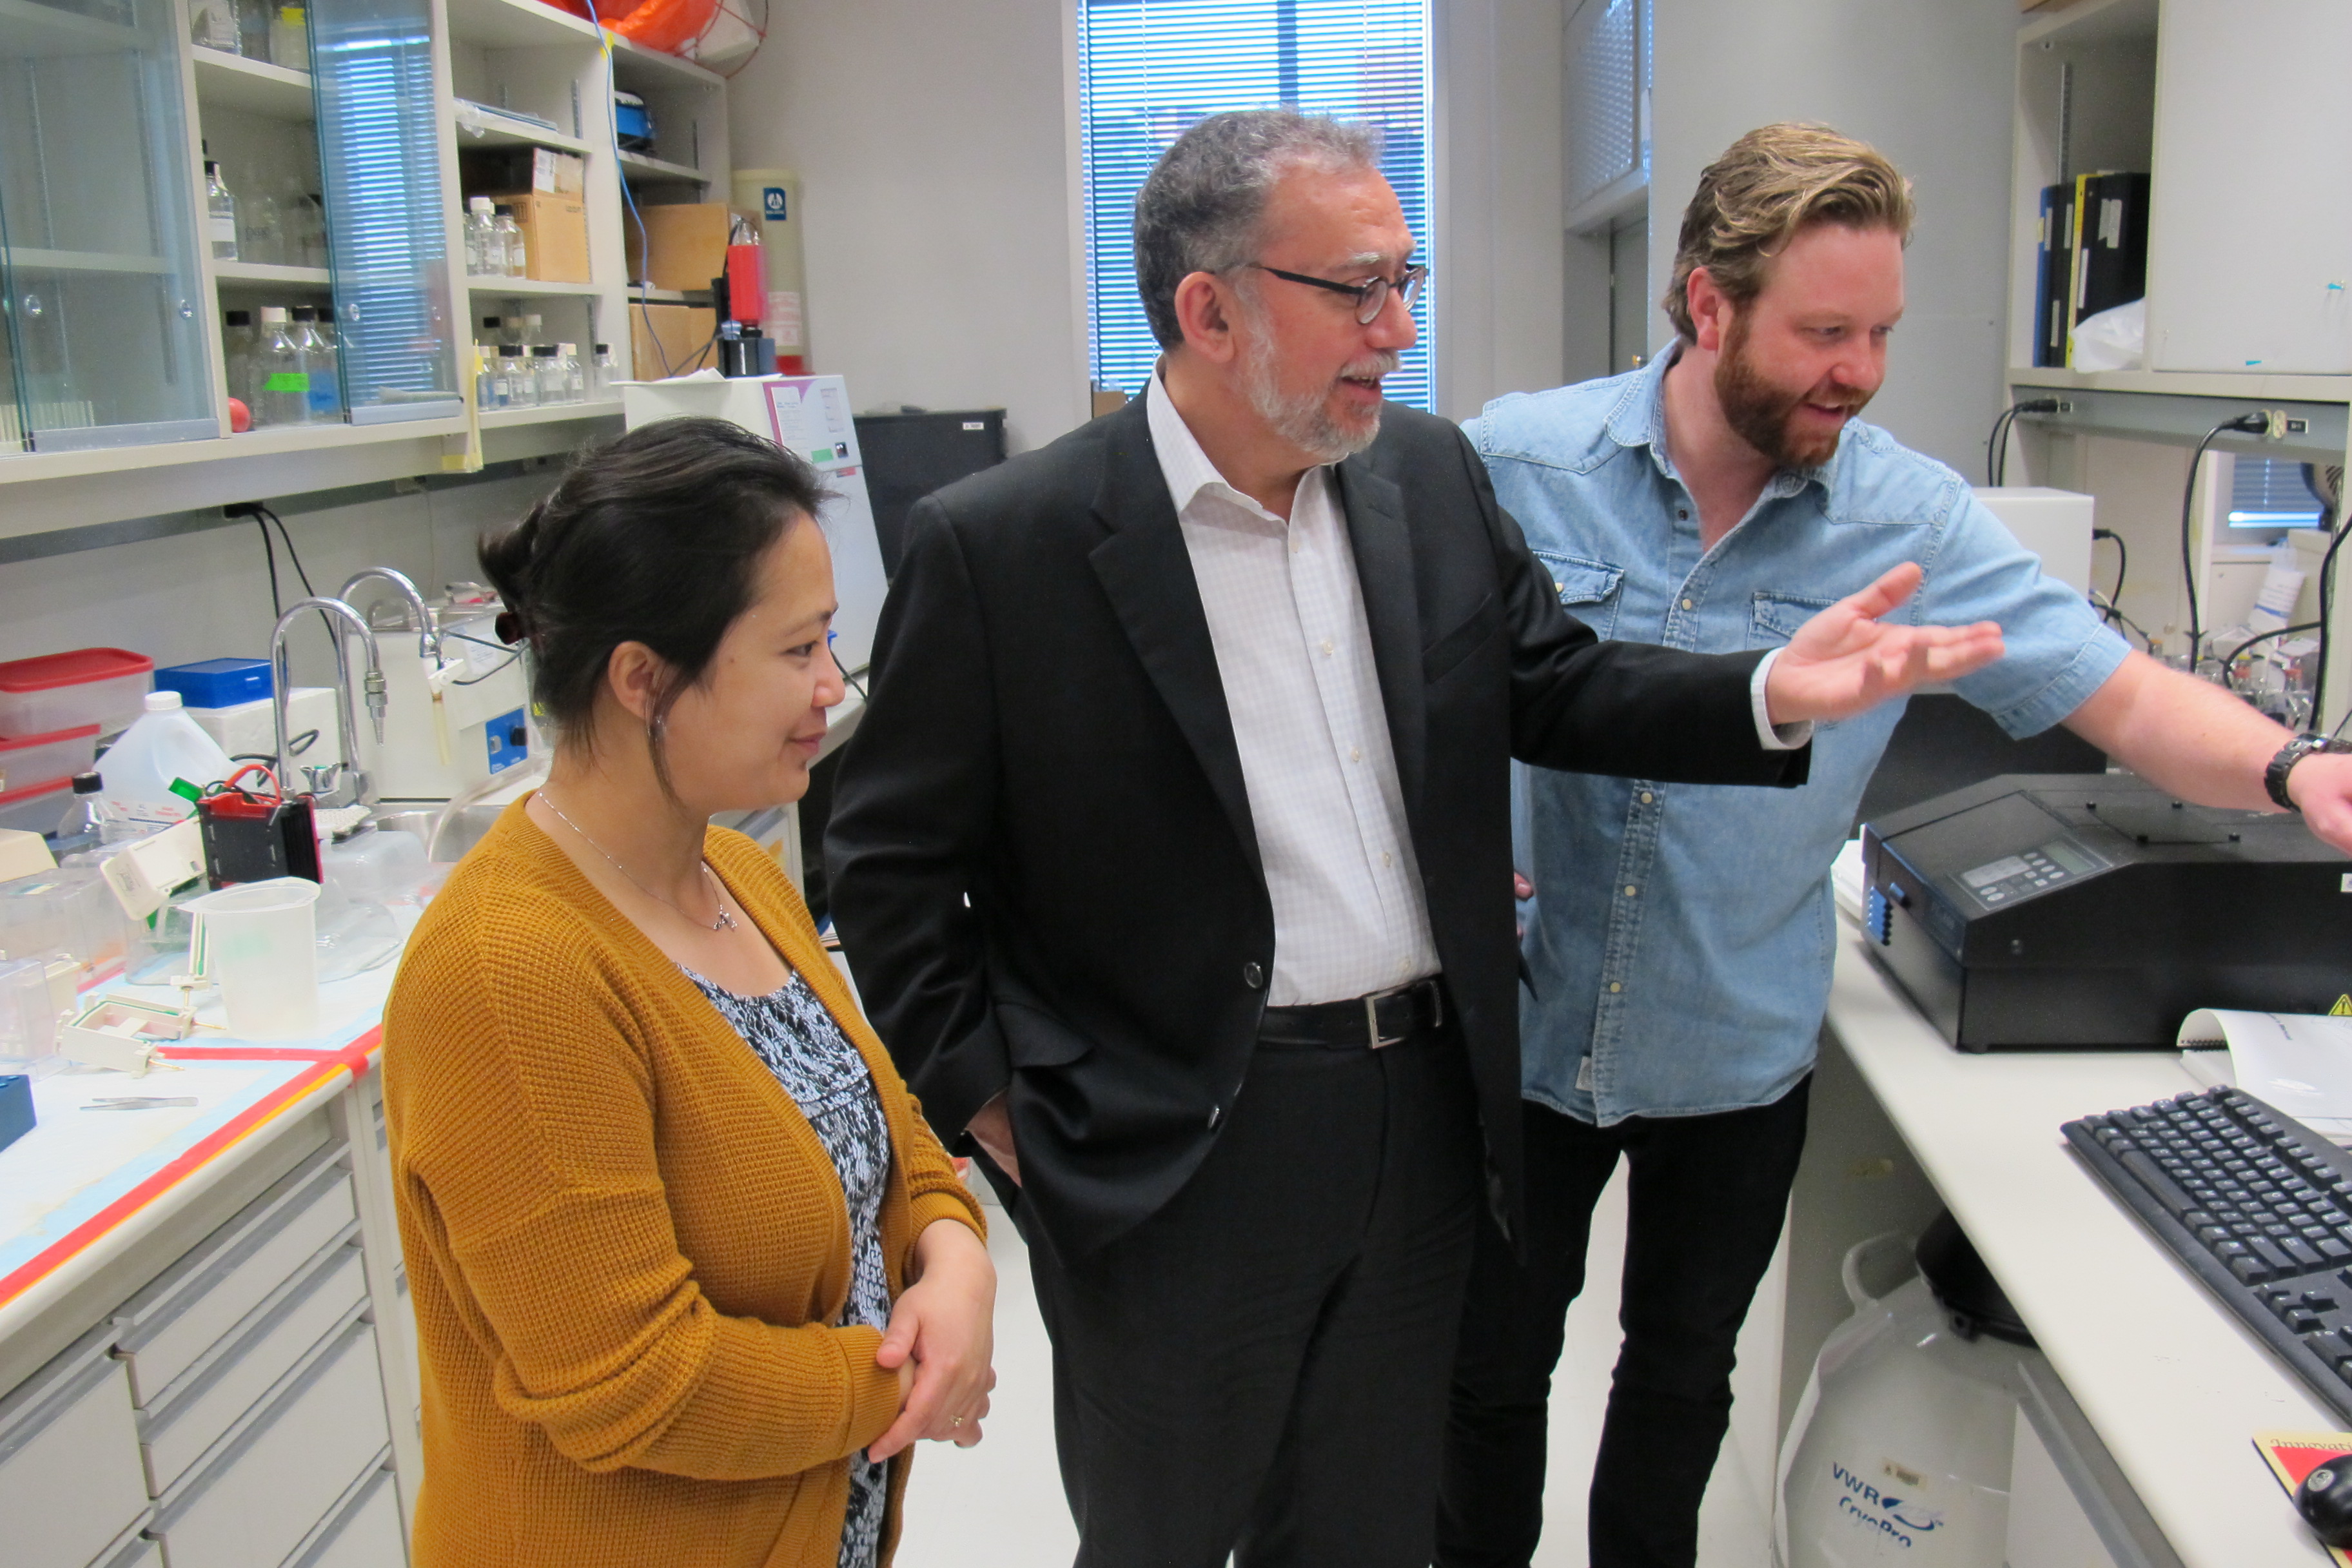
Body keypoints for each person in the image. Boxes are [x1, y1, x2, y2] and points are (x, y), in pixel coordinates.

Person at [823, 110, 2003, 1568]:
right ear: (1210, 309)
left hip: (1427, 1117)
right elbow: (879, 863)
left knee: (1376, 1522)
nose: (1400, 324)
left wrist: (1763, 696)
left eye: (1411, 279)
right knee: (1172, 1530)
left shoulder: (1426, 477)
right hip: (1174, 1136)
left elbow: (1554, 682)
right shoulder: (1005, 544)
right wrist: (1000, 1111)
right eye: (1361, 288)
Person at [1438, 121, 2352, 1568]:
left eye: (1879, 331)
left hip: (1733, 1044)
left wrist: (2299, 767)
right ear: (1705, 303)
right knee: (1483, 1387)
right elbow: (1390, 680)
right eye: (1822, 331)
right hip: (1523, 1032)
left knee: (1677, 1387)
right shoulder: (1514, 462)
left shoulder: (1904, 517)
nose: (1857, 369)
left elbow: (2118, 695)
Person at [382, 417, 996, 1568]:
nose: (832, 686)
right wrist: (911, 1371)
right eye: (796, 650)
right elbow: (634, 1383)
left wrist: (957, 1260)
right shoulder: (510, 973)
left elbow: (885, 1127)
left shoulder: (740, 877)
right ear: (641, 679)